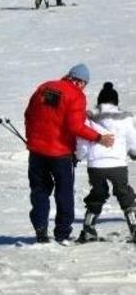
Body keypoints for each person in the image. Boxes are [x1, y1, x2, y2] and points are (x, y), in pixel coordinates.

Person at [24, 63, 114, 244]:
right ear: (80, 82)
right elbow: (75, 126)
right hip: (61, 153)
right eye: (85, 84)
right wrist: (98, 137)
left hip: (37, 152)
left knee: (40, 191)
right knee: (64, 193)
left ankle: (41, 229)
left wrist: (32, 139)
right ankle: (62, 234)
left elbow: (28, 114)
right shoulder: (76, 96)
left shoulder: (45, 87)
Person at [75, 82, 136, 243]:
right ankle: (134, 227)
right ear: (116, 101)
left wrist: (79, 156)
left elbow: (83, 140)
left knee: (98, 194)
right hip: (118, 164)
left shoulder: (89, 118)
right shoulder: (125, 117)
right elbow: (132, 138)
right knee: (124, 193)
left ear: (100, 101)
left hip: (96, 165)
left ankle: (88, 229)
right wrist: (133, 152)